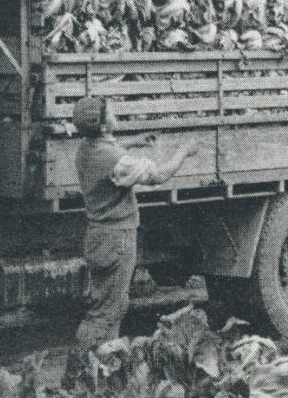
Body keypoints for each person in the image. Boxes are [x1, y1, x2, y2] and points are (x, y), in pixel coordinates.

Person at [71, 95, 198, 350]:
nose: (115, 115)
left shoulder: (86, 147)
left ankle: (100, 367)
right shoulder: (111, 159)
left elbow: (109, 152)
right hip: (117, 239)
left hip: (100, 237)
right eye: (110, 114)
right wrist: (184, 151)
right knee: (109, 310)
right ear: (104, 126)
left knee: (104, 306)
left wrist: (134, 143)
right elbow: (158, 176)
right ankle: (86, 369)